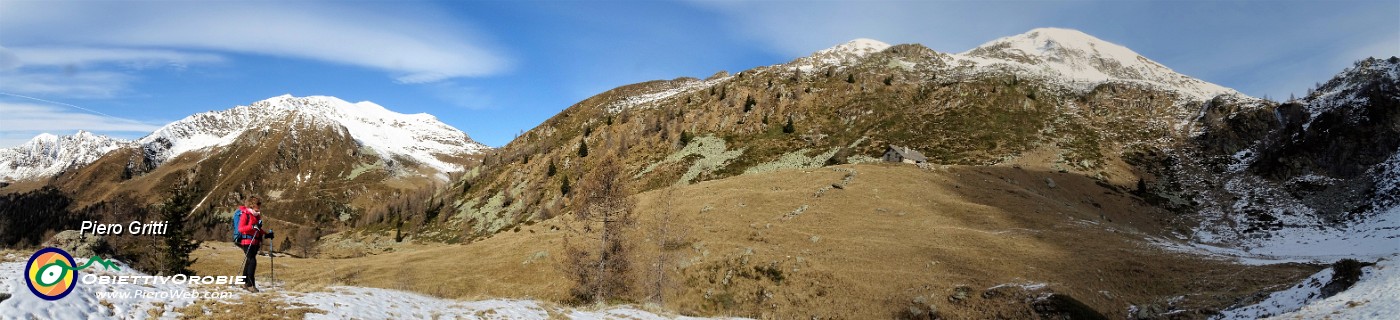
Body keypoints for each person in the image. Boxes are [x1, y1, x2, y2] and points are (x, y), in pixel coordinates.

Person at [236, 196, 272, 292]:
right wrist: (252, 226)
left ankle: (243, 282)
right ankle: (250, 284)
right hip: (247, 242)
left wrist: (267, 234)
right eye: (258, 204)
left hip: (255, 242)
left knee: (249, 261)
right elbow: (241, 228)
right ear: (252, 205)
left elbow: (258, 229)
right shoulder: (245, 215)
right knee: (252, 261)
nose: (260, 206)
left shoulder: (256, 216)